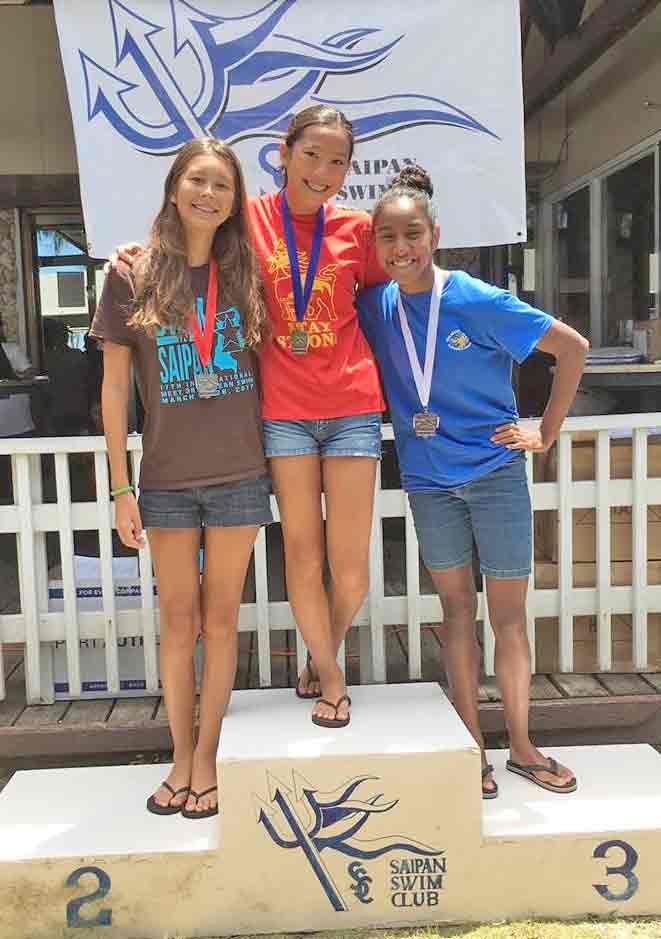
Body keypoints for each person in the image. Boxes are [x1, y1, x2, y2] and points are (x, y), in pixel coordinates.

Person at [112, 106, 388, 729]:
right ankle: (333, 680)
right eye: (310, 155)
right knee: (302, 556)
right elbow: (187, 242)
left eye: (337, 161)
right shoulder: (249, 220)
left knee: (351, 573)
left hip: (351, 404)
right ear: (283, 154)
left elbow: (392, 290)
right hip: (283, 410)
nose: (322, 171)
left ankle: (321, 654)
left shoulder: (359, 230)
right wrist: (129, 255)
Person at [357, 166, 588, 798]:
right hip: (429, 484)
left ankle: (523, 747)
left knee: (507, 617)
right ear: (375, 245)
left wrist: (545, 431)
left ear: (435, 235)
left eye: (412, 233)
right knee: (457, 614)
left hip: (494, 475)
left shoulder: (477, 299)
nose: (401, 247)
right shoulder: (376, 306)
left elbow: (572, 348)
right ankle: (473, 750)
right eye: (387, 237)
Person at [91, 138, 272, 818]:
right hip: (164, 479)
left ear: (234, 201)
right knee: (177, 623)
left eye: (222, 184)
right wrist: (121, 488)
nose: (208, 193)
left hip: (239, 473)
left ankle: (207, 757)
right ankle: (178, 754)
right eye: (197, 180)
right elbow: (114, 391)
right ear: (174, 188)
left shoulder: (250, 270)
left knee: (220, 623)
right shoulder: (131, 274)